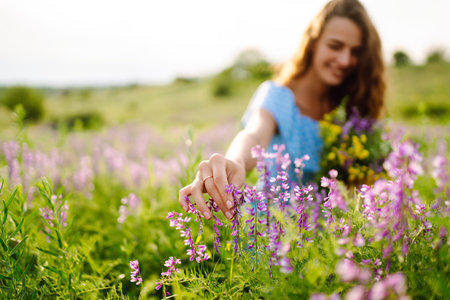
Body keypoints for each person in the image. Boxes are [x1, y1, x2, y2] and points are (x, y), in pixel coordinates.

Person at [179, 0, 385, 220]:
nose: (345, 60)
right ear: (313, 42)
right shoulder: (278, 96)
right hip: (273, 238)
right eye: (335, 46)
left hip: (331, 243)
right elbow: (254, 133)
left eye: (355, 52)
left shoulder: (352, 111)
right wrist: (235, 162)